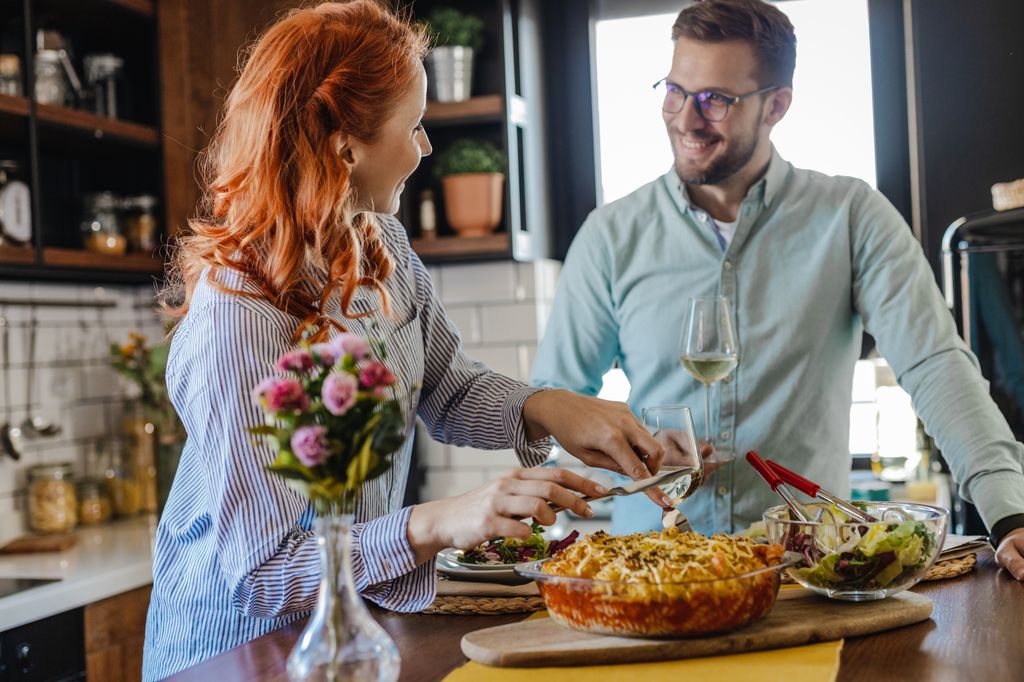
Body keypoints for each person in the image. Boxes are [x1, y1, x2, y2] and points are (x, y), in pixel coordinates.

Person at [141, 3, 670, 679]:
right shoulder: (239, 313)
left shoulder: (377, 241)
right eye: (413, 125)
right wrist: (440, 522)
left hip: (345, 635)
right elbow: (264, 575)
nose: (424, 148)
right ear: (344, 143)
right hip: (236, 656)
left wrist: (551, 407)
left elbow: (447, 387)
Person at [532, 0, 1024, 580]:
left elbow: (936, 365)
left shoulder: (850, 215)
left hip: (807, 575)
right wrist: (630, 447)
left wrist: (1009, 513)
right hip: (647, 574)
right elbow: (551, 405)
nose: (686, 118)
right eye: (674, 90)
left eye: (716, 99)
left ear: (777, 105)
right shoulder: (610, 234)